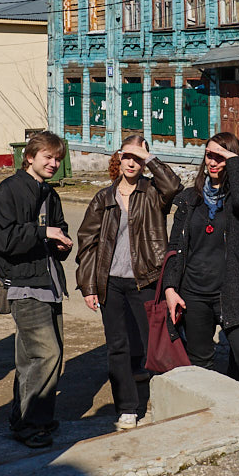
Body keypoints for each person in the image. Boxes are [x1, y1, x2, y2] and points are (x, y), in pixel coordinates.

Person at [75, 135, 181, 431]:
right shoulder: (103, 198)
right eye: (127, 156)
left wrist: (150, 158)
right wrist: (89, 286)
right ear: (118, 159)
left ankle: (161, 402)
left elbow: (174, 186)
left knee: (153, 347)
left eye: (138, 158)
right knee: (118, 347)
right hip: (111, 284)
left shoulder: (153, 193)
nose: (132, 163)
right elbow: (87, 243)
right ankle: (127, 408)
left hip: (145, 281)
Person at [0, 131, 72, 449]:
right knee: (47, 354)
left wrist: (61, 243)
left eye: (58, 158)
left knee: (30, 359)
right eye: (47, 156)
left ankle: (24, 419)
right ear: (29, 157)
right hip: (22, 286)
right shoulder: (9, 190)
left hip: (49, 284)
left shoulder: (50, 194)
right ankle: (33, 423)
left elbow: (59, 228)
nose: (54, 163)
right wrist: (43, 231)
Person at [162, 132, 239, 391]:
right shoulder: (190, 198)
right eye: (209, 155)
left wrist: (234, 163)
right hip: (194, 292)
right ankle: (209, 417)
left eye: (221, 157)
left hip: (234, 290)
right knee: (200, 362)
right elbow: (175, 247)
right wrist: (170, 288)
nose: (213, 162)